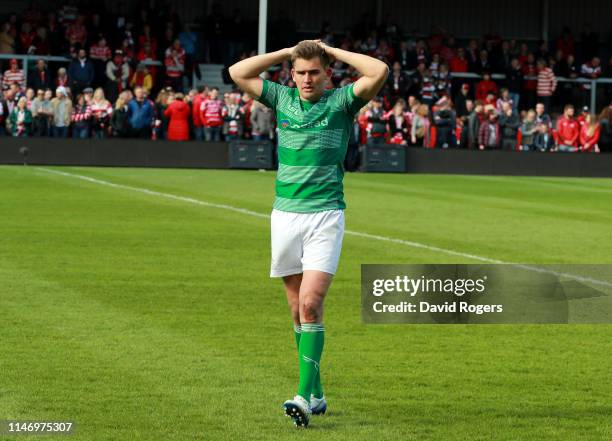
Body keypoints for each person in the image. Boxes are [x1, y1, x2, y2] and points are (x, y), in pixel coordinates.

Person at [229, 39, 387, 427]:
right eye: (300, 73)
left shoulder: (343, 102)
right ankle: (315, 392)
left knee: (311, 303)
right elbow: (237, 72)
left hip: (325, 216)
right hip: (284, 216)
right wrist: (286, 54)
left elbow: (378, 71)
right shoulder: (282, 98)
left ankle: (301, 395)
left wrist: (332, 50)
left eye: (314, 71)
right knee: (296, 310)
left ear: (326, 72)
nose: (306, 79)